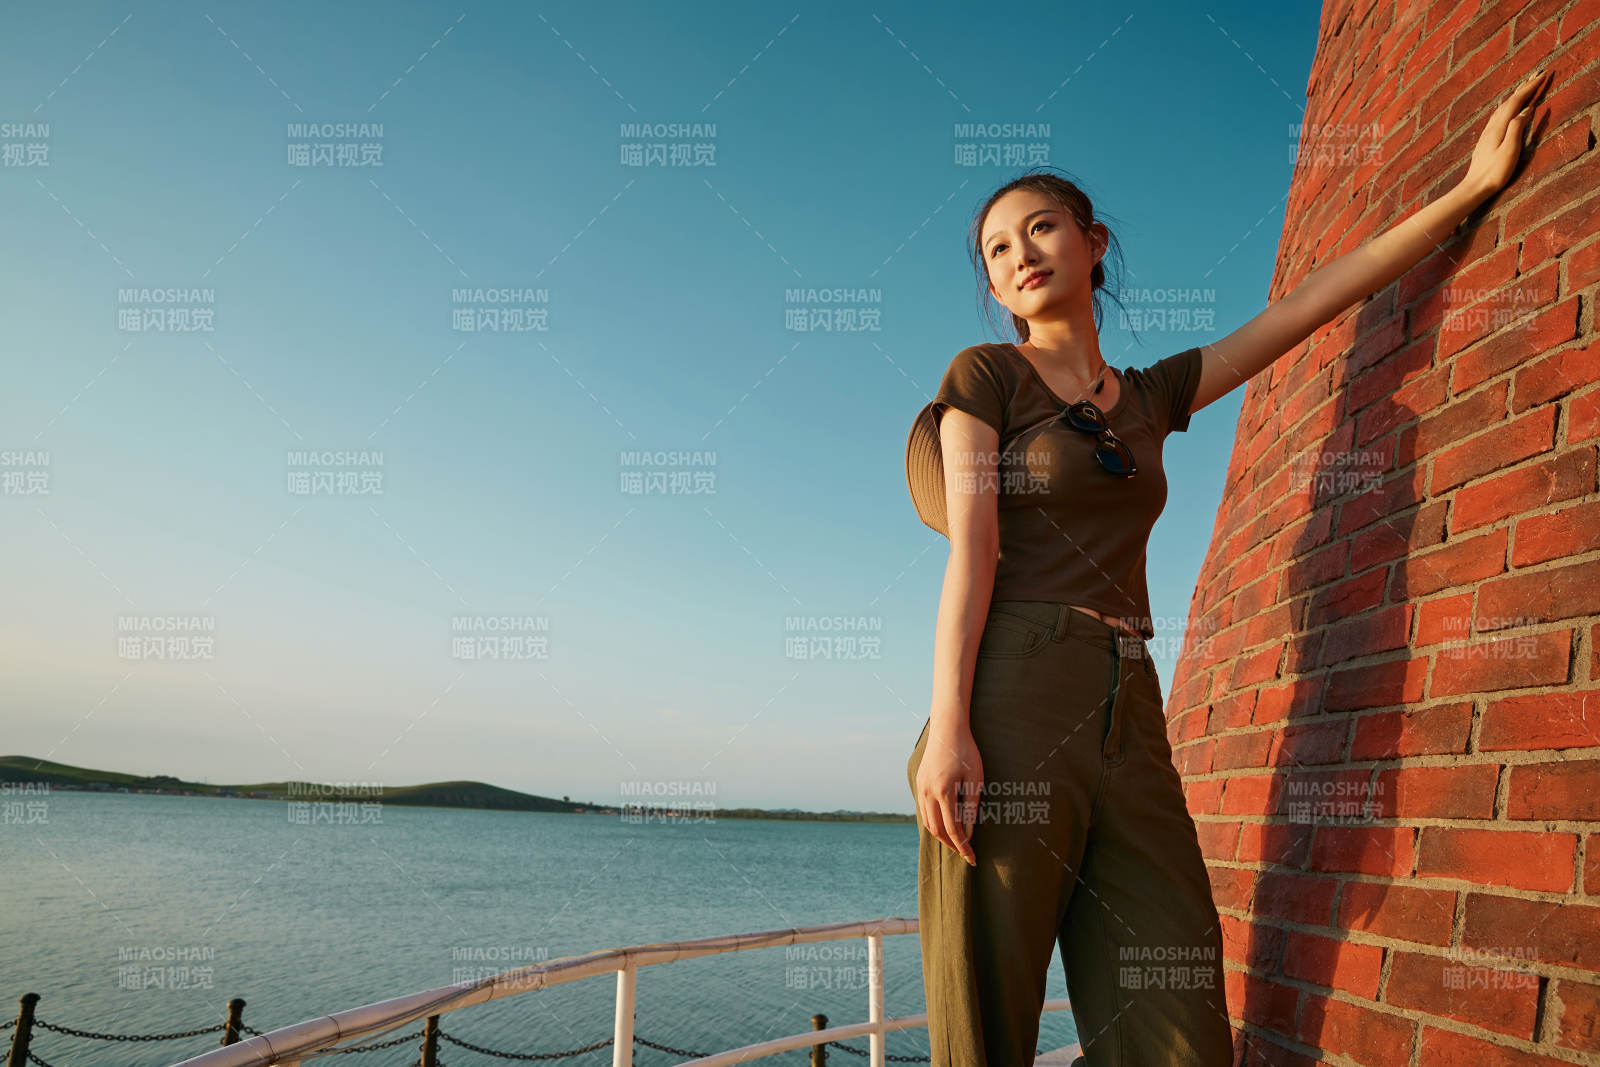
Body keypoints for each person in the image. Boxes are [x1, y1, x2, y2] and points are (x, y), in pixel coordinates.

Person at [903, 69, 1552, 1067]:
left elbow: (1304, 305)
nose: (1019, 253)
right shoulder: (983, 376)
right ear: (992, 288)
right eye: (997, 248)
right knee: (982, 1018)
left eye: (1039, 228)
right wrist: (950, 725)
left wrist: (1468, 190)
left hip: (1130, 698)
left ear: (1091, 243)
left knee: (1176, 999)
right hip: (1010, 689)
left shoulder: (1153, 393)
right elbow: (976, 553)